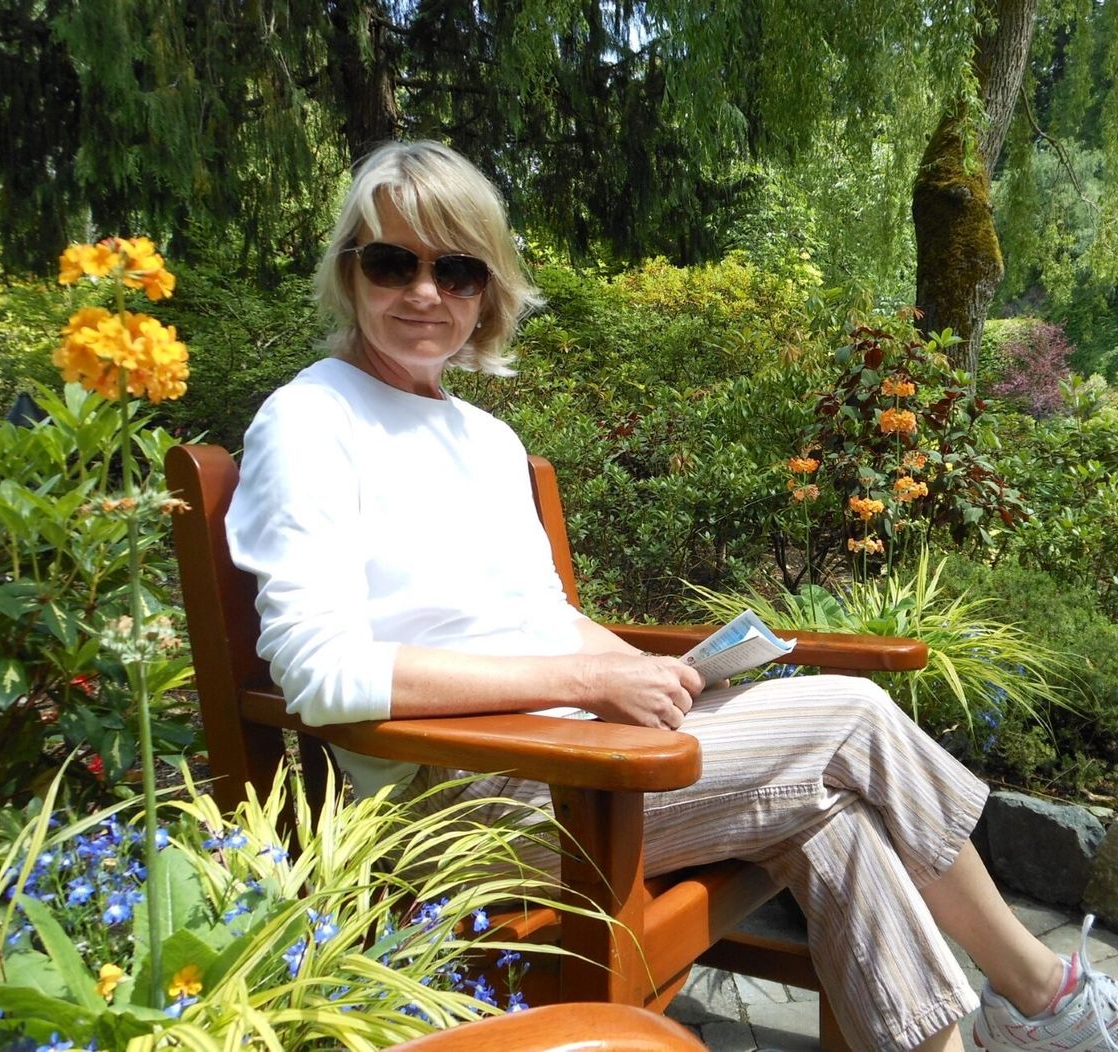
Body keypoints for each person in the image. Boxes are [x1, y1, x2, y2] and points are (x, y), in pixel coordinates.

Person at [225, 139, 1118, 1052]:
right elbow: (320, 673)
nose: (425, 292)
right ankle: (1045, 995)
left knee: (836, 819)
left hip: (576, 757)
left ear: (487, 290)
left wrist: (654, 672)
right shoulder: (310, 420)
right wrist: (593, 684)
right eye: (393, 263)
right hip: (465, 799)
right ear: (350, 271)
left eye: (456, 270)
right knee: (852, 718)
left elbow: (544, 619)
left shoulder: (485, 440)